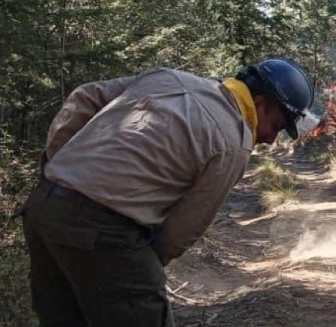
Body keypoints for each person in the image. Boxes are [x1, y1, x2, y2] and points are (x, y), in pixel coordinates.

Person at [21, 58, 315, 327]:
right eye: (276, 126)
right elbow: (183, 229)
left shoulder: (170, 78)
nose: (270, 139)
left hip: (43, 208)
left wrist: (56, 169)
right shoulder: (233, 143)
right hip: (104, 231)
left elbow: (85, 97)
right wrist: (140, 269)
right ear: (259, 103)